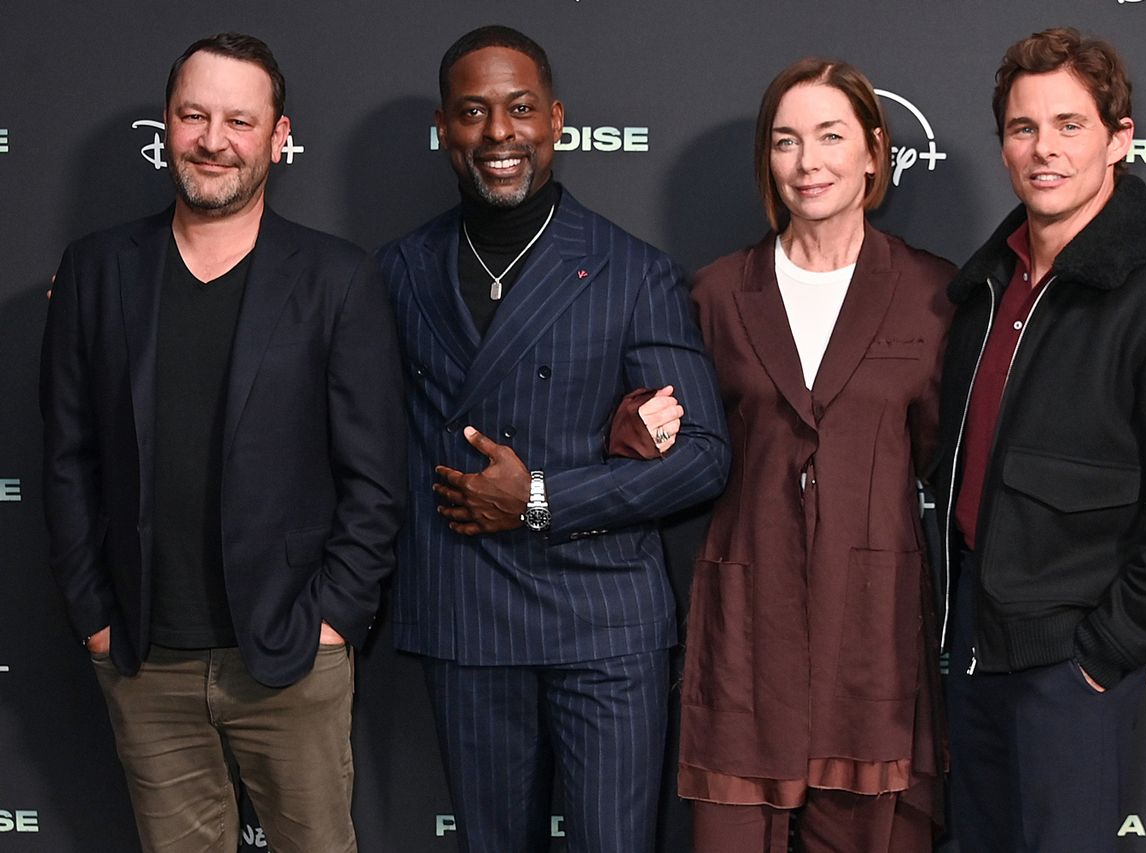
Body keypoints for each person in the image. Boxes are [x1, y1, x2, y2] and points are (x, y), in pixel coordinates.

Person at [40, 33, 405, 853]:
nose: (213, 140)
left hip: (293, 655)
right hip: (143, 655)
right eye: (194, 116)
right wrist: (94, 616)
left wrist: (335, 619)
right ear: (166, 124)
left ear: (278, 136)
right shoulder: (97, 270)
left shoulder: (337, 278)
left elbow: (376, 475)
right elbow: (66, 459)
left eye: (239, 120)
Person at [376, 24, 730, 853]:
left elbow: (704, 454)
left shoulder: (631, 270)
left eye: (520, 108)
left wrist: (539, 497)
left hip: (603, 621)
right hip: (465, 612)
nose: (499, 132)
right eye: (473, 112)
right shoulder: (398, 270)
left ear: (556, 121)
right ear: (444, 128)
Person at [933, 27, 1146, 853]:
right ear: (1004, 144)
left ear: (1119, 140)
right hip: (969, 645)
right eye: (1023, 127)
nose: (1043, 148)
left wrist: (1100, 653)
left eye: (1069, 124)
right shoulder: (985, 291)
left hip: (1069, 667)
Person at [675, 58, 954, 852]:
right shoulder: (716, 293)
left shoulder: (932, 293)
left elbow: (941, 452)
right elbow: (681, 446)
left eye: (830, 136)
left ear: (873, 151)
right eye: (786, 141)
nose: (808, 162)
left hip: (873, 634)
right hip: (745, 624)